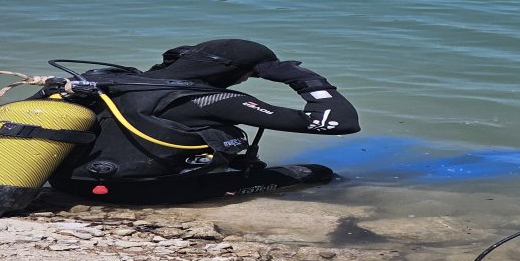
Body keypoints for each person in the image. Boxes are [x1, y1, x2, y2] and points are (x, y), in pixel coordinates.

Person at [42, 39, 361, 205]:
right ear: (235, 73)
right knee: (316, 172)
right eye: (247, 75)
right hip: (139, 194)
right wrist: (304, 78)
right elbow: (340, 122)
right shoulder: (216, 100)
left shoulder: (108, 81)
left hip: (67, 184)